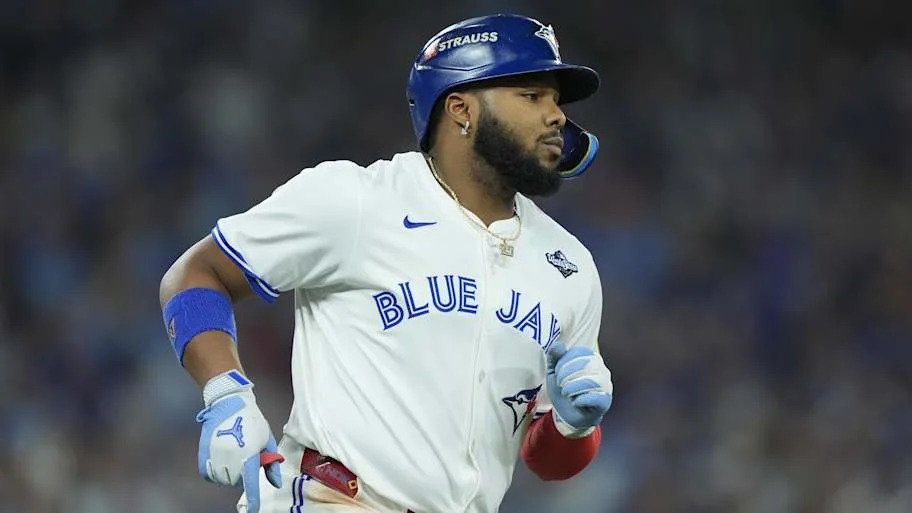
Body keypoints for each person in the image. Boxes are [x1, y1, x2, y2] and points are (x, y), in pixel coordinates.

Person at [159, 13, 614, 513]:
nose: (556, 117)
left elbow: (546, 462)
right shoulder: (356, 201)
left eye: (556, 100)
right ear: (461, 109)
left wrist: (575, 425)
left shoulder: (568, 266)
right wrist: (226, 393)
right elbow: (197, 274)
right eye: (532, 96)